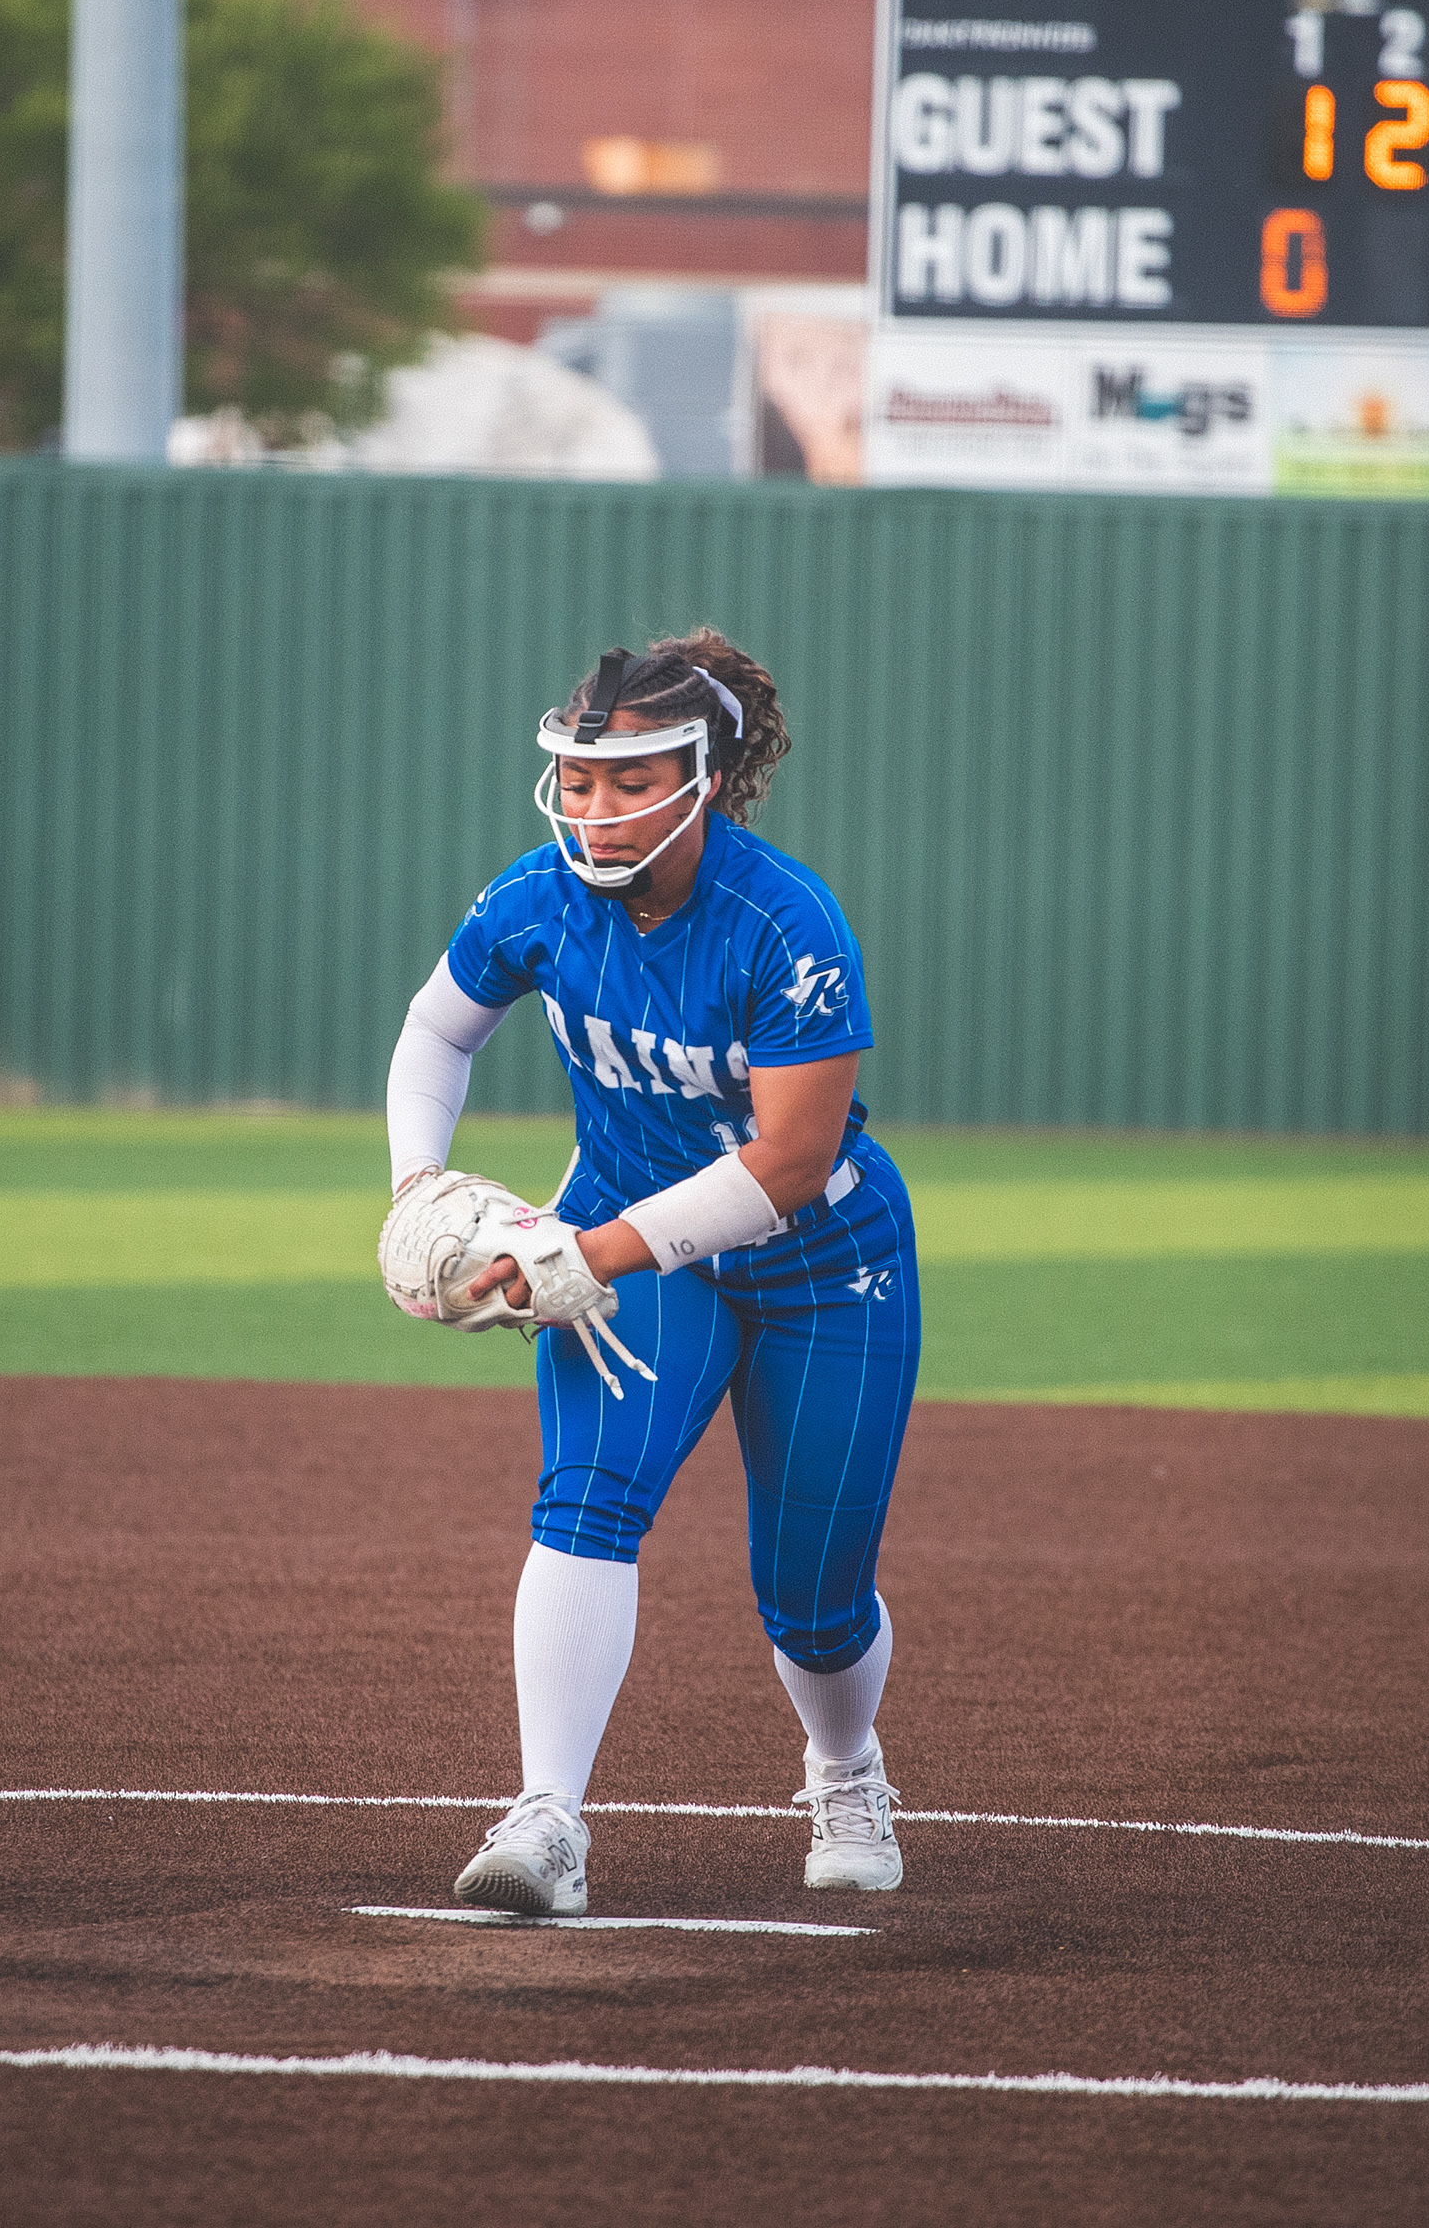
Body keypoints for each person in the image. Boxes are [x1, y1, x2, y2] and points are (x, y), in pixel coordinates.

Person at [387, 629, 920, 1916]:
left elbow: (790, 1160)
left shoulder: (786, 922)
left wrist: (586, 1249)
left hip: (822, 1265)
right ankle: (546, 1818)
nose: (596, 807)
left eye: (630, 781)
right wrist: (419, 1186)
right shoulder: (537, 897)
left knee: (813, 1598)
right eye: (579, 779)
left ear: (705, 778)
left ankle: (846, 1768)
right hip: (637, 1253)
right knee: (586, 1498)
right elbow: (436, 1031)